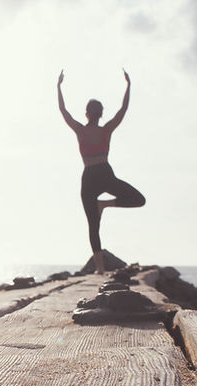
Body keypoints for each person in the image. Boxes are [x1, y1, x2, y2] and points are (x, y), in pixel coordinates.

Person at [57, 69, 145, 274]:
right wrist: (128, 86)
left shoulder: (80, 129)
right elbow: (123, 110)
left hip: (89, 177)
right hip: (105, 174)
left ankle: (100, 269)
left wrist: (58, 87)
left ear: (87, 113)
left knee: (92, 225)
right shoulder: (106, 130)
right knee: (138, 199)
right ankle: (105, 204)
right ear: (101, 113)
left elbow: (63, 111)